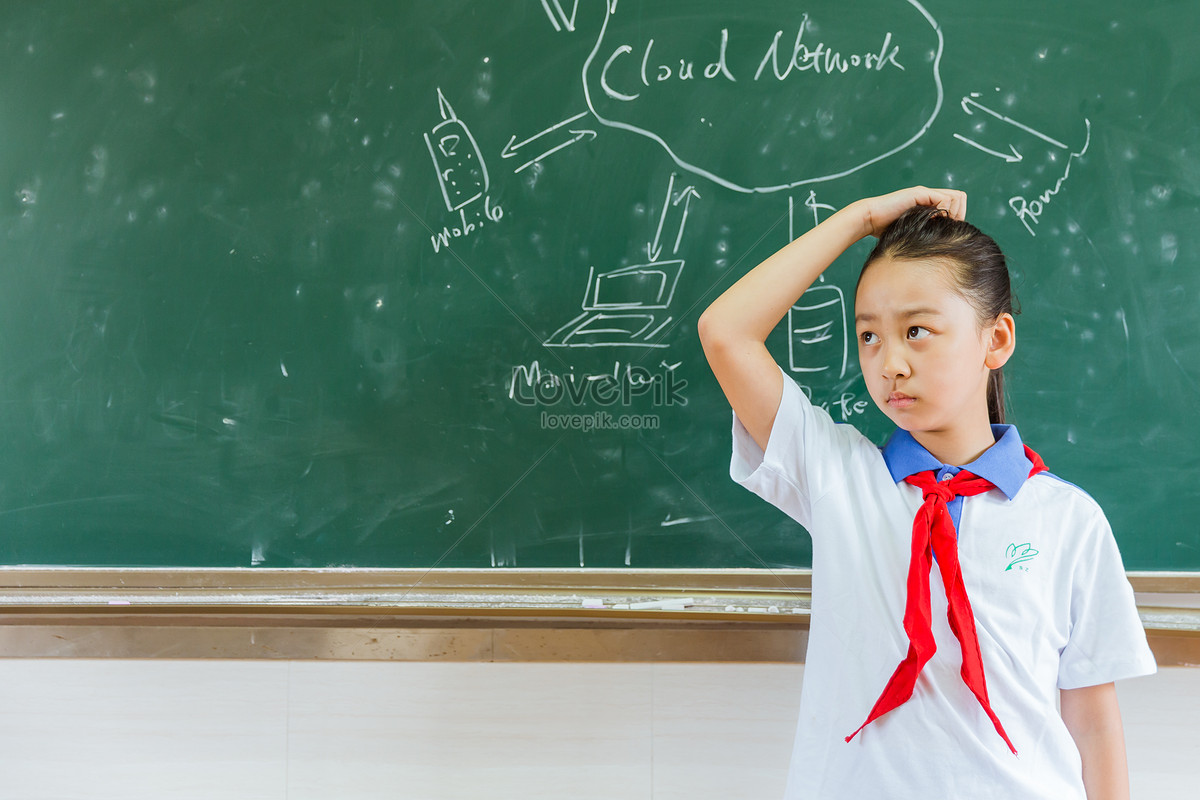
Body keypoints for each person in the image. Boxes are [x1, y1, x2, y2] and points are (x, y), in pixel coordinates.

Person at [697, 187, 1156, 799]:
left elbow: (1093, 720)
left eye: (917, 331)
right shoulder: (839, 479)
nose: (889, 363)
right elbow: (725, 332)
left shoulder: (1067, 519)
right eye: (869, 337)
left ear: (995, 340)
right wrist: (860, 220)